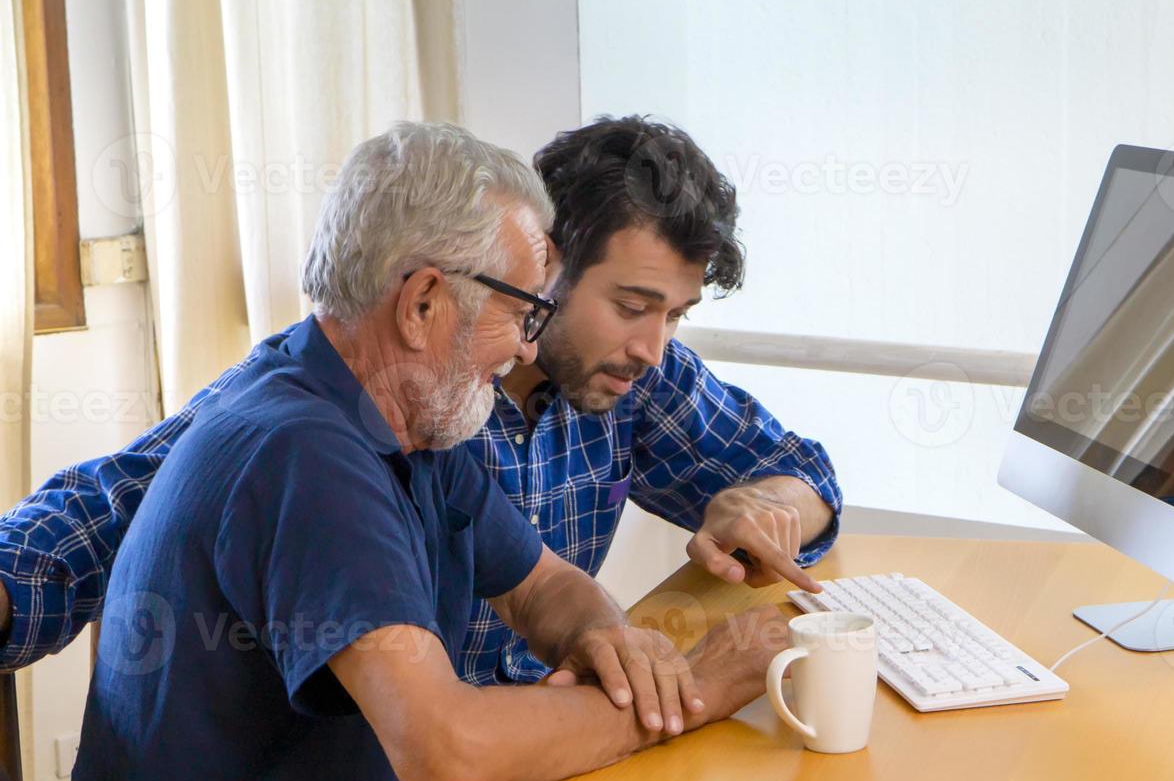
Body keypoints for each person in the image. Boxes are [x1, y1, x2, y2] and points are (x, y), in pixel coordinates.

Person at [39, 122, 786, 781]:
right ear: (424, 302)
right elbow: (445, 748)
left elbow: (540, 587)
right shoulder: (306, 452)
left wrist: (615, 645)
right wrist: (690, 694)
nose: (527, 344)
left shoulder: (417, 419)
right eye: (525, 312)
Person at [0, 116, 841, 684]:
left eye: (675, 315)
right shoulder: (380, 397)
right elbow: (116, 503)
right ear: (546, 265)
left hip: (526, 768)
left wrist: (765, 508)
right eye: (631, 306)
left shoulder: (634, 378)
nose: (654, 346)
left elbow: (802, 474)